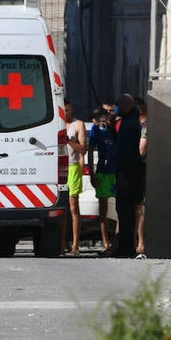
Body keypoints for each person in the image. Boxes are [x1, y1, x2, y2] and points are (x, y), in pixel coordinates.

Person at [104, 93, 145, 258]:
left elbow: (126, 152)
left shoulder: (129, 125)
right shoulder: (129, 122)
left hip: (127, 173)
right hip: (126, 172)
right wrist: (113, 128)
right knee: (124, 211)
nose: (116, 109)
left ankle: (126, 248)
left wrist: (123, 175)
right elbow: (117, 143)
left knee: (126, 212)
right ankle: (125, 246)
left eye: (119, 106)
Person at [87, 107, 116, 252]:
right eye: (100, 119)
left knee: (120, 208)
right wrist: (92, 174)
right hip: (103, 171)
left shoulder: (115, 127)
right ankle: (106, 243)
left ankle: (118, 240)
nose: (104, 120)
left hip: (116, 171)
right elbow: (90, 151)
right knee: (103, 208)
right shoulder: (95, 129)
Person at [61, 100, 87, 255]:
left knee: (73, 207)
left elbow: (83, 148)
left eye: (68, 110)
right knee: (62, 208)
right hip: (58, 168)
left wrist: (69, 141)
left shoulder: (78, 125)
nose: (66, 113)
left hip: (73, 167)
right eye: (63, 110)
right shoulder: (55, 124)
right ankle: (62, 243)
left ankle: (76, 244)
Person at [134, 97, 147, 257]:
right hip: (139, 170)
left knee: (140, 209)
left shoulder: (145, 126)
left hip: (142, 171)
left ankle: (141, 243)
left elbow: (141, 151)